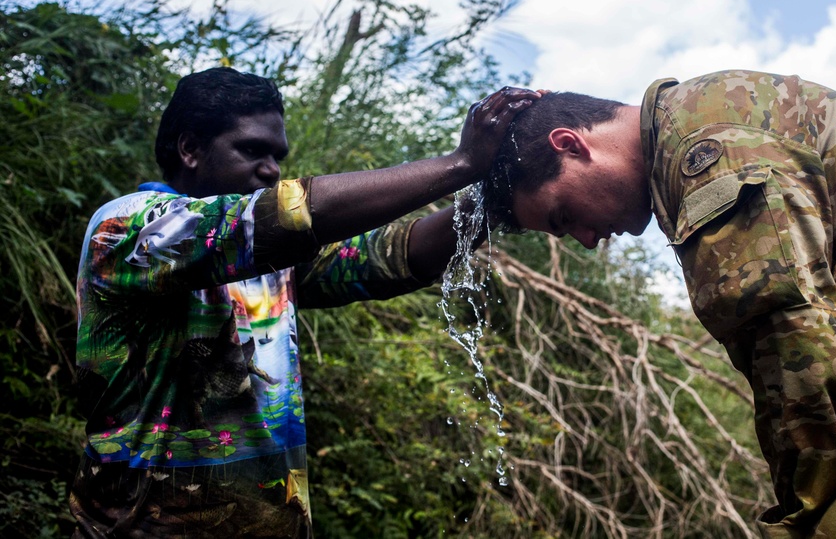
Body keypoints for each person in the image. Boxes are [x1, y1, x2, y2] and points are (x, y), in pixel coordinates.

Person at [482, 69, 836, 538]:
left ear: (570, 144)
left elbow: (798, 352)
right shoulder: (696, 118)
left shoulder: (704, 155)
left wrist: (803, 517)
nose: (587, 238)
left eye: (563, 216)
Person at [70, 66, 539, 538]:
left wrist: (493, 201)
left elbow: (383, 259)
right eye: (252, 150)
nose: (272, 169)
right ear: (189, 148)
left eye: (278, 155)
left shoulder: (268, 258)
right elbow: (280, 217)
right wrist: (460, 164)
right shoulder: (129, 229)